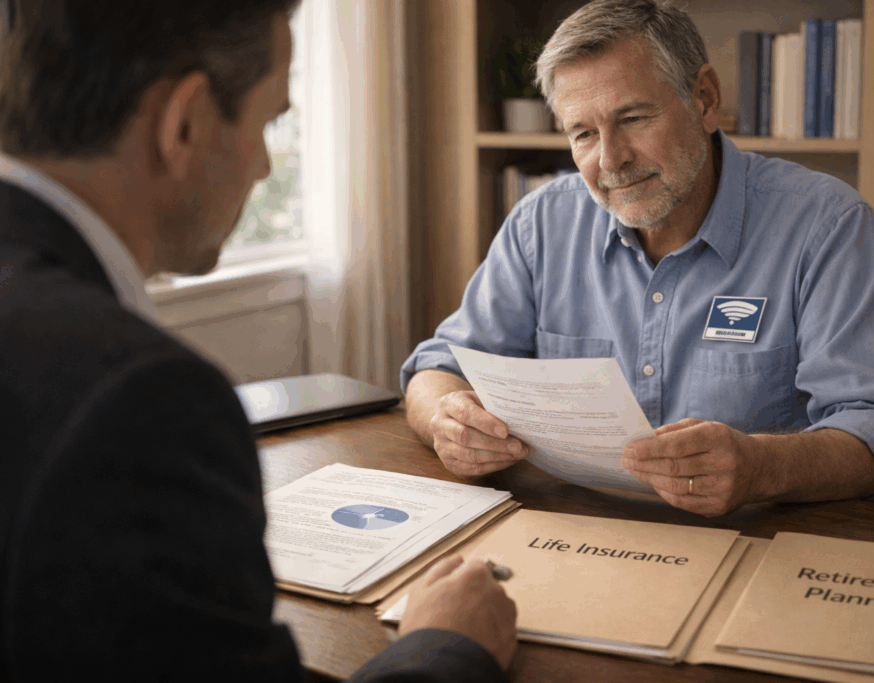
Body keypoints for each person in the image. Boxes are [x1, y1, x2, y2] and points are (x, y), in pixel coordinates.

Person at [0, 1, 516, 680]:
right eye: (270, 120)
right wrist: (447, 644)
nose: (268, 168)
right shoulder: (140, 397)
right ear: (183, 122)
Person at [401, 0, 874, 516]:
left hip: (759, 544)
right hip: (575, 533)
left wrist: (762, 467)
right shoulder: (541, 222)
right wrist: (447, 421)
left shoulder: (827, 225)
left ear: (704, 98)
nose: (610, 160)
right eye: (584, 133)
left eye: (633, 118)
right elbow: (437, 368)